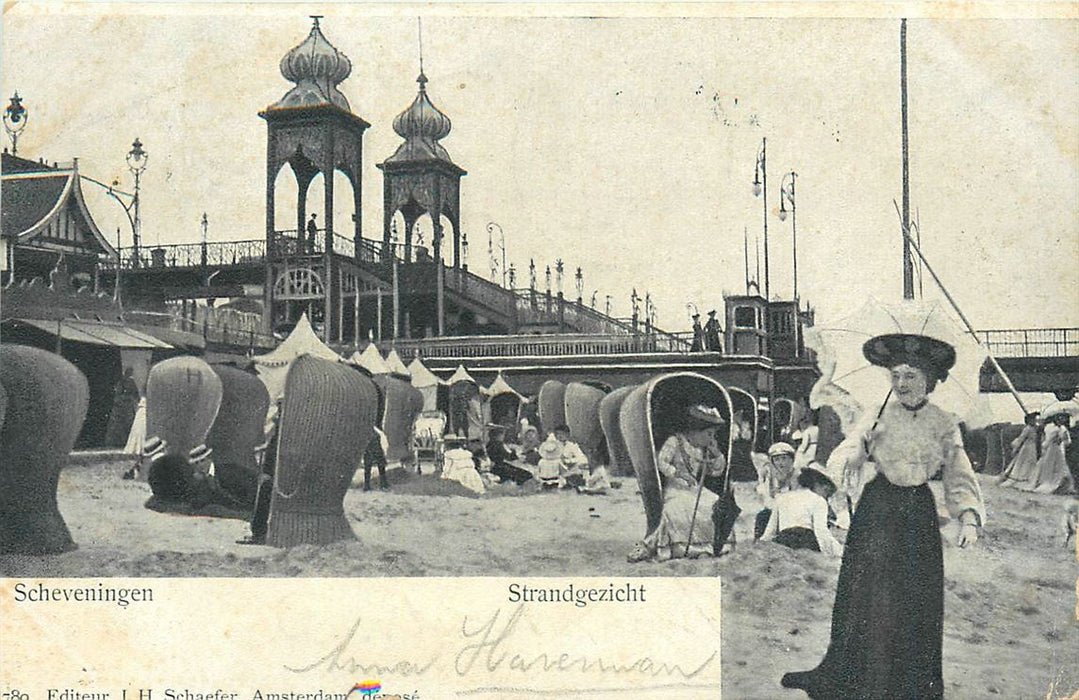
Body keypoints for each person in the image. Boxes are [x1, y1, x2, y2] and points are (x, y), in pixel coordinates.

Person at [781, 333, 985, 700]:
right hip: (878, 509)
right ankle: (855, 677)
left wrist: (968, 516)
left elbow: (959, 472)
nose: (901, 384)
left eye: (910, 376)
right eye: (896, 375)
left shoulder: (944, 423)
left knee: (914, 599)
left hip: (917, 514)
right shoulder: (876, 413)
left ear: (930, 380)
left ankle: (908, 685)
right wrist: (854, 454)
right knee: (866, 595)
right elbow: (847, 451)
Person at [627, 405, 730, 561]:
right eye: (709, 434)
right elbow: (661, 462)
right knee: (676, 508)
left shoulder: (702, 449)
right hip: (675, 489)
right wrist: (677, 473)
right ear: (696, 430)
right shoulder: (675, 441)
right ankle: (677, 548)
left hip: (694, 490)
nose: (711, 439)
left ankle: (705, 546)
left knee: (715, 503)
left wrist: (716, 454)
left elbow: (716, 472)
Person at [760, 464, 842, 556]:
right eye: (827, 493)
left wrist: (760, 547)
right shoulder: (818, 500)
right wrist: (832, 553)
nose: (826, 498)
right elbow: (821, 531)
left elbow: (770, 530)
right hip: (806, 541)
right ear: (818, 484)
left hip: (783, 540)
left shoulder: (781, 498)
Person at [755, 441, 798, 540]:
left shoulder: (797, 476)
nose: (780, 463)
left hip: (792, 511)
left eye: (784, 459)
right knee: (763, 515)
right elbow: (768, 499)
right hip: (775, 511)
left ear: (791, 460)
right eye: (777, 459)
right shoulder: (771, 478)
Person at [997, 412, 1042, 490]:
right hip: (1027, 448)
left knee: (1031, 463)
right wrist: (1016, 448)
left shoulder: (1034, 429)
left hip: (1032, 447)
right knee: (1024, 463)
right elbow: (1021, 438)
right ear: (1028, 421)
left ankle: (1029, 478)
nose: (1034, 421)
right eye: (1033, 420)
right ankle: (1021, 479)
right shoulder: (1027, 428)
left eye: (1035, 420)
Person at [1031, 413, 1074, 494]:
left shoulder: (1063, 429)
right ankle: (1047, 482)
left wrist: (1062, 440)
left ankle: (1063, 486)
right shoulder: (1050, 427)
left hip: (1058, 449)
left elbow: (1067, 441)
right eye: (1058, 418)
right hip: (1051, 448)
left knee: (1060, 465)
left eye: (1062, 419)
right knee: (1049, 464)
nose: (1060, 420)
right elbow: (1047, 439)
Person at [105, 367, 141, 448]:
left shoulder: (127, 382)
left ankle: (123, 441)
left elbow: (135, 394)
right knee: (121, 424)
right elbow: (120, 394)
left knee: (125, 424)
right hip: (123, 406)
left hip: (126, 406)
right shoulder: (123, 382)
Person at [552, 424, 589, 488]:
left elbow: (582, 458)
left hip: (569, 468)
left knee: (580, 467)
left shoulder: (572, 446)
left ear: (567, 434)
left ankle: (571, 480)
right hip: (555, 468)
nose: (559, 436)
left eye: (562, 434)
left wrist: (569, 461)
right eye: (557, 434)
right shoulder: (553, 446)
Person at [362, 426, 390, 491]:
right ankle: (383, 485)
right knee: (379, 468)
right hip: (375, 451)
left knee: (368, 469)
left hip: (371, 451)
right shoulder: (377, 432)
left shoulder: (371, 432)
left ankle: (368, 486)